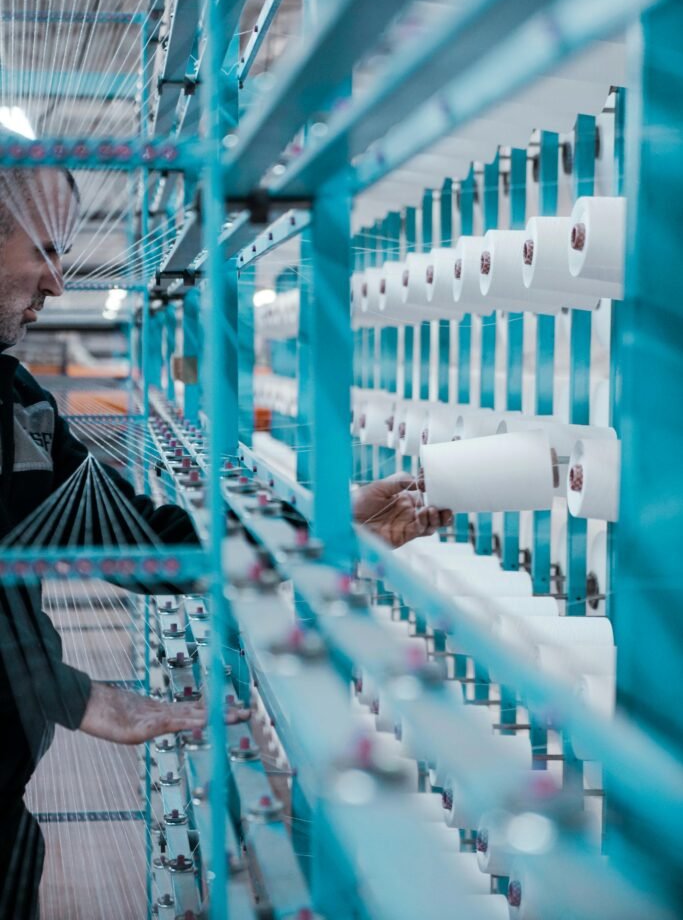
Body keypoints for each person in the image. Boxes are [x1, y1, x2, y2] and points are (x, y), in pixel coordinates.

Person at [0, 162, 452, 916]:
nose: (57, 284)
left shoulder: (17, 406)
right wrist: (69, 693)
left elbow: (138, 538)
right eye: (44, 251)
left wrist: (323, 523)